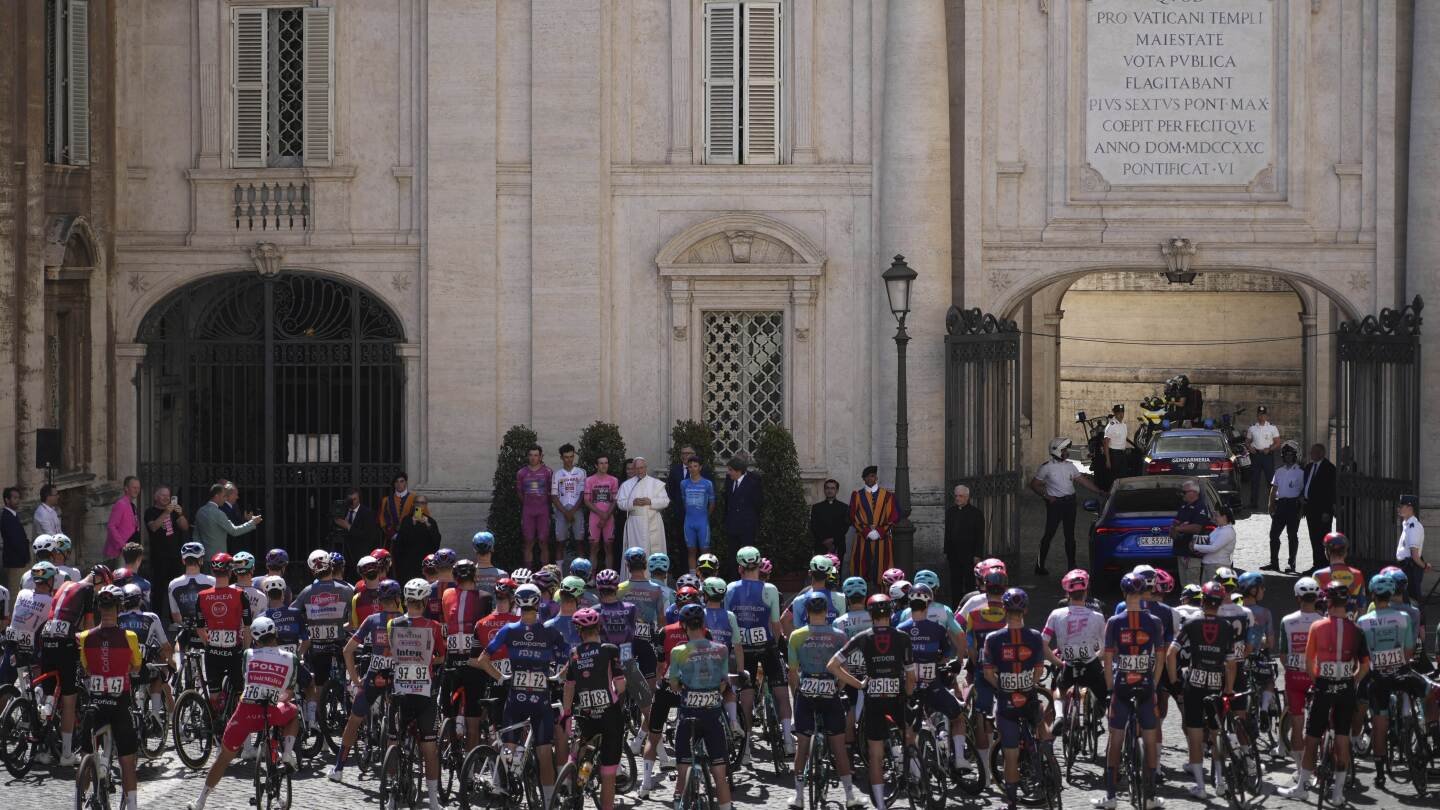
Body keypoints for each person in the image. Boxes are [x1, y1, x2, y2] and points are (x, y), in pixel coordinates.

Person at [185, 615, 301, 810]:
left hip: (245, 713)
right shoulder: (291, 659)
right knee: (293, 712)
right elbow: (288, 691)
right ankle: (288, 753)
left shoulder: (248, 654)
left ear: (255, 639)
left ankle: (200, 801)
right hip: (271, 711)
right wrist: (278, 695)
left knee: (223, 758)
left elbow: (248, 679)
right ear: (275, 633)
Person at [475, 583, 570, 807]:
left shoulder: (509, 630)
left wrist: (502, 678)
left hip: (515, 699)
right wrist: (558, 677)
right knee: (545, 753)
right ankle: (548, 802)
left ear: (517, 603)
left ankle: (505, 787)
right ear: (538, 604)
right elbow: (570, 657)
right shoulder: (549, 632)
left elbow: (482, 660)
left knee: (510, 749)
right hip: (541, 700)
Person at [1277, 582, 1369, 805]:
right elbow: (1365, 664)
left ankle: (1302, 787)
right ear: (1347, 603)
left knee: (1313, 737)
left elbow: (1309, 662)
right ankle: (1338, 793)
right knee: (1342, 738)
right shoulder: (1356, 630)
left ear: (1327, 601)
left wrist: (1318, 680)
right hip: (1345, 687)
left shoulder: (1317, 627)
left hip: (1324, 686)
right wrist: (1352, 679)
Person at [829, 593, 915, 809]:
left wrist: (858, 684)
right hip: (897, 697)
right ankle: (916, 774)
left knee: (875, 754)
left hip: (874, 700)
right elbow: (911, 676)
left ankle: (880, 804)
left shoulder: (862, 637)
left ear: (870, 614)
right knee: (910, 736)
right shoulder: (903, 637)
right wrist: (908, 692)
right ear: (891, 612)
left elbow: (832, 665)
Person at [1092, 573, 1165, 810]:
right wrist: (1153, 682)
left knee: (1116, 739)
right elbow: (1160, 656)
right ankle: (1151, 795)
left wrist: (1110, 688)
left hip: (1123, 684)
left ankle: (1111, 796)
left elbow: (1108, 659)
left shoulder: (1114, 621)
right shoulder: (1155, 621)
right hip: (1145, 684)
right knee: (1151, 739)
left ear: (1124, 594)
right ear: (1145, 593)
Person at [788, 593, 863, 809]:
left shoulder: (796, 636)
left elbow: (793, 672)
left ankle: (799, 796)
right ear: (827, 612)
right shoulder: (840, 636)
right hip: (830, 693)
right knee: (838, 746)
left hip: (806, 692)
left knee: (802, 745)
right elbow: (845, 670)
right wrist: (836, 688)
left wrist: (798, 692)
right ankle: (849, 796)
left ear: (807, 613)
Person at [984, 588, 1056, 810]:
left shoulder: (993, 639)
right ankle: (1048, 761)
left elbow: (988, 673)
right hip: (1029, 698)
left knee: (1011, 755)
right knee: (1043, 730)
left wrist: (1003, 687)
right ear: (1025, 610)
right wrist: (1028, 684)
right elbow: (1038, 670)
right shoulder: (1034, 636)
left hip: (1007, 704)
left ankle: (1012, 802)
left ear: (1004, 610)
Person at [1167, 581, 1237, 799]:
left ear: (1203, 600)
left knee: (1195, 736)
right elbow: (1231, 663)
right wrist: (1229, 689)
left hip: (1194, 683)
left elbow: (1171, 654)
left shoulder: (1190, 622)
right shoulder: (1227, 627)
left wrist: (1175, 681)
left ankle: (1200, 786)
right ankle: (1220, 781)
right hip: (1216, 683)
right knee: (1216, 734)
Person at [76, 585, 142, 810]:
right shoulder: (129, 636)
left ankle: (81, 799)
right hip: (119, 703)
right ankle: (132, 806)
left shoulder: (85, 637)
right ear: (119, 608)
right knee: (126, 759)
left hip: (95, 704)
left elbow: (85, 668)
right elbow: (136, 665)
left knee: (87, 752)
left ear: (98, 608)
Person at [330, 578, 403, 781]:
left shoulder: (372, 620)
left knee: (354, 720)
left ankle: (338, 769)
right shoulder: (406, 621)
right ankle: (391, 775)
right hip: (398, 677)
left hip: (374, 676)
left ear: (379, 599)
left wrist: (355, 679)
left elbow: (347, 650)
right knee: (394, 726)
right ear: (398, 599)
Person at [667, 602, 735, 810]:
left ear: (684, 625)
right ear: (704, 624)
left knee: (682, 772)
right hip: (713, 716)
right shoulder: (721, 649)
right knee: (720, 776)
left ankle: (678, 801)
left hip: (688, 716)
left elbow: (674, 685)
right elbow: (724, 684)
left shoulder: (678, 652)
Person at [726, 545, 792, 757]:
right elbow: (775, 624)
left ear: (740, 568)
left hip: (743, 648)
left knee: (746, 697)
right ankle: (789, 741)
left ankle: (745, 748)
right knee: (781, 693)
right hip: (767, 645)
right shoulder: (770, 589)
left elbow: (728, 621)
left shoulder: (729, 589)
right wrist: (779, 643)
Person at [389, 579, 448, 810]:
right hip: (424, 693)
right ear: (424, 601)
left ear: (405, 600)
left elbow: (390, 652)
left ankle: (392, 791)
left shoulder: (393, 624)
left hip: (400, 691)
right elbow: (442, 656)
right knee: (429, 748)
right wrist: (428, 660)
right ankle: (433, 800)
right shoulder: (433, 627)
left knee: (393, 740)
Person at [561, 607, 628, 810]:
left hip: (586, 713)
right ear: (599, 627)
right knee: (608, 773)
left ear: (579, 631)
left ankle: (569, 779)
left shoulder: (574, 654)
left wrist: (566, 714)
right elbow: (620, 685)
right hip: (610, 715)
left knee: (578, 747)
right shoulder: (609, 650)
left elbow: (569, 686)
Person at [1356, 573, 1413, 787]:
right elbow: (1408, 652)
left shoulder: (1363, 622)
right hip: (1400, 672)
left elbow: (1361, 657)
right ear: (1391, 594)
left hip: (1377, 676)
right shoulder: (1404, 618)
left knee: (1380, 722)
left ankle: (1380, 774)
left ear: (1373, 595)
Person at [292, 549, 354, 731]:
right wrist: (344, 626)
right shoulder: (346, 590)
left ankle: (319, 723)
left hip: (318, 646)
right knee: (348, 681)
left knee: (319, 685)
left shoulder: (306, 592)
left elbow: (293, 613)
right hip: (340, 642)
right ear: (331, 567)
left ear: (312, 571)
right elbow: (354, 620)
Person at [1030, 438, 1104, 576]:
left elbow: (1082, 480)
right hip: (1056, 505)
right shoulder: (1046, 467)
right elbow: (1034, 484)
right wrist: (1047, 496)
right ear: (1056, 451)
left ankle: (1072, 565)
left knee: (1070, 536)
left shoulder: (1070, 466)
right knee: (1049, 535)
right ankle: (1039, 566)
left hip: (1070, 503)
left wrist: (1099, 491)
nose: (1066, 452)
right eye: (1064, 450)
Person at [1277, 578, 1323, 762]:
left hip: (1294, 675)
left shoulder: (1287, 621)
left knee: (1297, 721)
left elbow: (1282, 654)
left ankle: (1299, 769)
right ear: (1318, 597)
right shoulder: (1323, 621)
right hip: (1316, 676)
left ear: (1298, 597)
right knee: (1319, 722)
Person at [849, 466, 898, 587]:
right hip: (862, 538)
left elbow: (893, 516)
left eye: (872, 476)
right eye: (867, 476)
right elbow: (852, 516)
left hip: (882, 539)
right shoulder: (857, 495)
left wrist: (880, 531)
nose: (869, 478)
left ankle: (884, 600)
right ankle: (860, 600)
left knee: (883, 570)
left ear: (876, 477)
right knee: (861, 568)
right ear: (863, 479)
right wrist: (866, 532)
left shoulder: (888, 496)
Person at [143, 485, 189, 612]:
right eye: (163, 495)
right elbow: (153, 527)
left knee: (174, 587)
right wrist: (166, 513)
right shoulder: (150, 512)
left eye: (168, 496)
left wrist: (180, 513)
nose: (166, 498)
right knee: (158, 588)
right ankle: (156, 615)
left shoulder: (174, 512)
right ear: (155, 497)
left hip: (174, 556)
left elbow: (185, 527)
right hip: (159, 556)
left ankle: (173, 618)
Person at [1264, 442, 1305, 573]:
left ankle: (1291, 564)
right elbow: (1274, 488)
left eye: (1290, 455)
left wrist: (1302, 510)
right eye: (1285, 455)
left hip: (1294, 506)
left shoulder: (1300, 473)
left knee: (1292, 535)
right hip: (1280, 505)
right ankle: (1273, 562)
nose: (1288, 457)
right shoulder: (1279, 471)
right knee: (1274, 534)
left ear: (1294, 456)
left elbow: (1304, 492)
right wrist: (1270, 504)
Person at [617, 457, 669, 556]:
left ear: (646, 468)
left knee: (652, 552)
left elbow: (665, 501)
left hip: (653, 521)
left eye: (642, 468)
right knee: (636, 552)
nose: (639, 471)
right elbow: (620, 503)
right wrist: (633, 502)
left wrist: (650, 501)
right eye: (637, 468)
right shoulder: (627, 485)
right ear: (634, 469)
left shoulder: (656, 483)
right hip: (635, 525)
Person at [194, 483, 262, 559]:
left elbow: (196, 536)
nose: (225, 499)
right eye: (224, 496)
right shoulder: (219, 513)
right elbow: (234, 531)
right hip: (218, 558)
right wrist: (252, 523)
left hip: (203, 557)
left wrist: (198, 554)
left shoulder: (200, 511)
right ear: (216, 496)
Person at [943, 484, 985, 602]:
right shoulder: (950, 512)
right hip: (954, 555)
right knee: (955, 583)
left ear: (967, 497)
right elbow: (948, 533)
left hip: (969, 555)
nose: (958, 498)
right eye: (956, 496)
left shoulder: (976, 514)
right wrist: (947, 551)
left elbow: (979, 536)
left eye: (960, 496)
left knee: (969, 584)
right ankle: (956, 607)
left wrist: (977, 555)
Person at [516, 446, 555, 567]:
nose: (533, 458)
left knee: (544, 542)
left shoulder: (548, 472)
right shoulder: (521, 473)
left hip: (543, 511)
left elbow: (551, 492)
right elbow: (520, 493)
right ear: (528, 456)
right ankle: (528, 572)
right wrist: (529, 503)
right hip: (528, 511)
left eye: (536, 455)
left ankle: (546, 573)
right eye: (531, 455)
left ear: (541, 456)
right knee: (528, 542)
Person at [1302, 444, 1337, 574]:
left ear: (1322, 453)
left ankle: (1325, 565)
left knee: (1323, 538)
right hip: (1310, 508)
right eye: (1311, 452)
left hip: (1323, 511)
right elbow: (1307, 485)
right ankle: (1316, 564)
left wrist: (1327, 511)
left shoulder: (1329, 468)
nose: (1312, 454)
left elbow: (1330, 492)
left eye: (1314, 452)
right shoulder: (1309, 467)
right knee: (1313, 538)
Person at [1168, 480, 1210, 586]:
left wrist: (1179, 529)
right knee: (1184, 585)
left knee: (1193, 585)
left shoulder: (1200, 507)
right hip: (1180, 550)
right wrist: (1174, 529)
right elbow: (1176, 523)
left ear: (1194, 492)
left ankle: (1194, 602)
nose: (1182, 494)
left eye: (1184, 492)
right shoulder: (1183, 506)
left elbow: (1197, 528)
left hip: (1192, 553)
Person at [551, 443, 588, 564]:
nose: (569, 459)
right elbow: (554, 495)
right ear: (561, 457)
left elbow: (583, 493)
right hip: (562, 510)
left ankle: (582, 572)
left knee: (580, 542)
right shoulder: (557, 474)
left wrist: (572, 511)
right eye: (566, 457)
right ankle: (560, 574)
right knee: (560, 542)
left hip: (576, 509)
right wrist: (565, 512)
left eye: (571, 456)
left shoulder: (581, 472)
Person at [583, 454, 620, 569]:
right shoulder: (589, 480)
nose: (604, 465)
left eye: (606, 463)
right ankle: (592, 578)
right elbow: (586, 501)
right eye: (601, 463)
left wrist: (606, 516)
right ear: (596, 465)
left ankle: (609, 576)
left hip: (609, 518)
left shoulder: (613, 480)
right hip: (595, 518)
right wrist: (602, 514)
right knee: (594, 548)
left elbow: (615, 500)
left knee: (608, 547)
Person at [392, 494, 441, 582]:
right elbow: (400, 542)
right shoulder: (407, 520)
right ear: (413, 504)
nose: (419, 505)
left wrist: (428, 525)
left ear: (425, 505)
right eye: (417, 502)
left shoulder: (430, 522)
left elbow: (436, 542)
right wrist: (413, 524)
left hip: (424, 564)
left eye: (422, 503)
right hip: (408, 563)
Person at [335, 488, 382, 578]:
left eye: (354, 499)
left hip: (360, 555)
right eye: (350, 500)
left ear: (359, 499)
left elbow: (368, 535)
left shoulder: (367, 513)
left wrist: (348, 526)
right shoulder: (342, 511)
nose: (352, 502)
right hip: (345, 555)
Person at [680, 457, 716, 574]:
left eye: (695, 466)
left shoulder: (707, 483)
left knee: (705, 550)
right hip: (689, 521)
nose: (693, 469)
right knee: (691, 550)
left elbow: (712, 503)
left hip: (702, 521)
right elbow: (684, 502)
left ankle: (706, 575)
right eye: (690, 466)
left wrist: (706, 516)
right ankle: (692, 577)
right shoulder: (684, 483)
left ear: (700, 467)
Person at [722, 455, 762, 550]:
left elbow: (757, 503)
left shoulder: (753, 481)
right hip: (732, 525)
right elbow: (727, 500)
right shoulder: (729, 479)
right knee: (732, 554)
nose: (728, 472)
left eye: (730, 470)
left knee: (746, 555)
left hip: (747, 526)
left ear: (738, 470)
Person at [809, 479, 851, 568]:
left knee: (836, 574)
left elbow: (845, 527)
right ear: (824, 490)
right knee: (820, 574)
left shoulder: (844, 507)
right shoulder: (817, 507)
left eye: (832, 488)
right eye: (827, 488)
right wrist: (825, 540)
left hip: (838, 546)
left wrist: (833, 540)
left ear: (837, 490)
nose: (829, 490)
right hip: (821, 546)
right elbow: (814, 526)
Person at [1395, 494, 1429, 604]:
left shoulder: (1414, 526)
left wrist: (1424, 566)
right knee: (1407, 601)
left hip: (1411, 568)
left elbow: (1414, 555)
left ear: (1410, 508)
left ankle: (1420, 621)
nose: (1398, 509)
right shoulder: (1407, 525)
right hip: (1406, 567)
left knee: (1413, 601)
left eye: (1401, 506)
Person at [1245, 406, 1281, 510]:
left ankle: (1273, 503)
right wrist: (1250, 447)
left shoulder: (1272, 428)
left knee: (1270, 480)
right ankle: (1253, 503)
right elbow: (1247, 441)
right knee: (1254, 480)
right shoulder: (1252, 428)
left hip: (1267, 456)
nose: (1261, 416)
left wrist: (1270, 449)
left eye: (1263, 414)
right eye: (1259, 414)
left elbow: (1278, 442)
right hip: (1255, 455)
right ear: (1257, 415)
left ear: (1266, 416)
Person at [1190, 506, 1235, 584]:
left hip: (1217, 566)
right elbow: (1209, 541)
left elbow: (1214, 548)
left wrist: (1195, 546)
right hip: (1210, 565)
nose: (1214, 518)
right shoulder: (1219, 529)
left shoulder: (1227, 531)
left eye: (1217, 516)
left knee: (1214, 593)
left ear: (1224, 517)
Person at [106, 475, 143, 563]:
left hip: (132, 551)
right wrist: (122, 546)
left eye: (138, 488)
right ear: (126, 488)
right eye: (134, 487)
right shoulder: (121, 504)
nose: (137, 490)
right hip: (123, 552)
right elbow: (111, 526)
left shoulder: (132, 505)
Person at [2, 486, 29, 596]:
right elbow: (15, 541)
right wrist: (25, 556)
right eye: (14, 498)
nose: (17, 501)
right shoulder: (6, 517)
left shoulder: (13, 515)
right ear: (7, 500)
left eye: (18, 498)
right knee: (14, 592)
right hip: (14, 562)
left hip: (19, 561)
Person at [378, 472, 417, 547]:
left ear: (406, 483)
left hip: (410, 539)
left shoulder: (415, 499)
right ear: (394, 484)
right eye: (396, 482)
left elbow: (419, 517)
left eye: (402, 481)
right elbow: (382, 520)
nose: (399, 484)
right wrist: (392, 534)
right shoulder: (386, 500)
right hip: (392, 539)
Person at [1102, 403, 1131, 485]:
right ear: (1114, 413)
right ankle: (1112, 495)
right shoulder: (1111, 425)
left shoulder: (1124, 425)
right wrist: (1107, 460)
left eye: (1122, 412)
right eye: (1118, 413)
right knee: (1114, 478)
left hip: (1122, 454)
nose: (1121, 414)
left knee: (1123, 476)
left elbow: (1123, 439)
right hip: (1114, 455)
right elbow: (1105, 444)